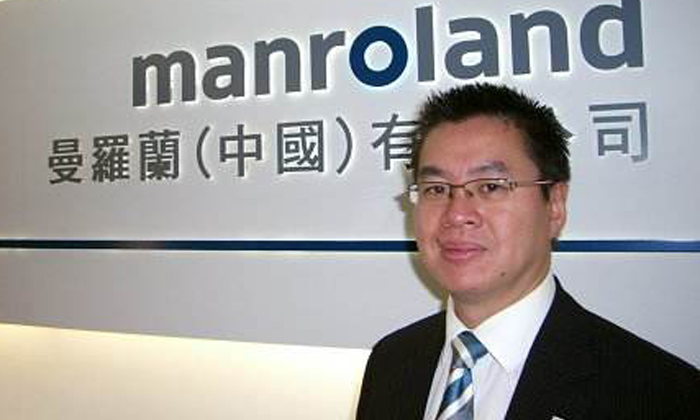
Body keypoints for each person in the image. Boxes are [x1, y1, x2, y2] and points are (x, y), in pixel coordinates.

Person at [355, 83, 699, 420]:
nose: (457, 214)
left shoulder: (660, 395)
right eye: (436, 189)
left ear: (555, 205)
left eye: (490, 186)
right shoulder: (391, 362)